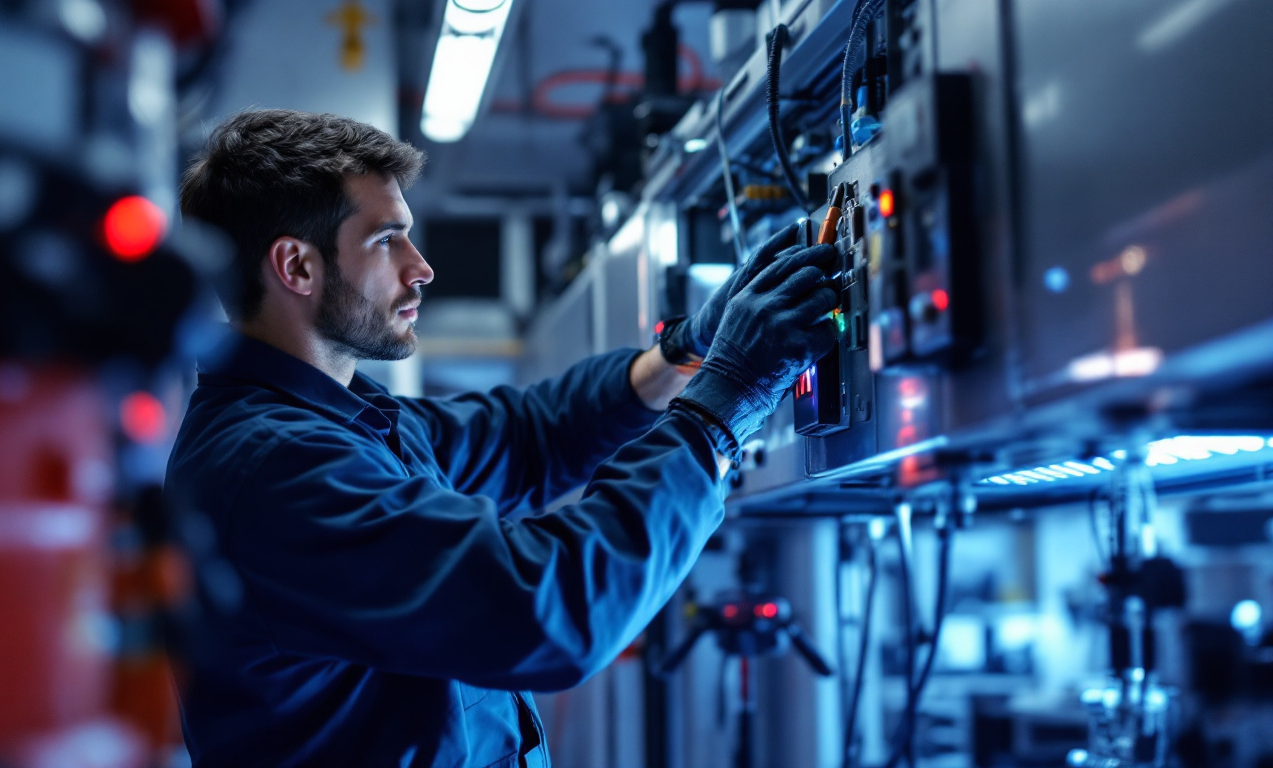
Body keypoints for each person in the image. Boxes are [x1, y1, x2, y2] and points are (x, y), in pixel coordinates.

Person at [166, 108, 839, 768]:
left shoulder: (348, 423)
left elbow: (528, 436)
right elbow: (547, 609)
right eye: (385, 239)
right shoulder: (275, 470)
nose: (421, 266)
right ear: (297, 267)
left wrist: (685, 353)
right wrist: (723, 408)